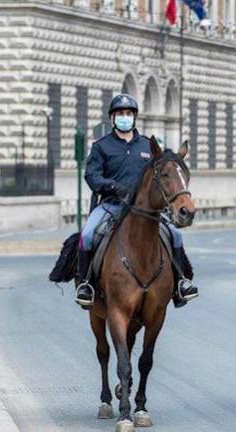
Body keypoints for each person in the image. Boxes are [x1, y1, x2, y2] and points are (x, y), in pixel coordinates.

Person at [75, 94, 198, 308]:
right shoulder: (101, 146)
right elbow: (91, 176)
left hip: (145, 210)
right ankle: (86, 285)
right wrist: (113, 186)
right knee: (86, 235)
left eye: (128, 113)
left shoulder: (148, 146)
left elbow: (164, 174)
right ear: (112, 118)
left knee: (176, 235)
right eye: (120, 113)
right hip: (111, 205)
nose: (125, 117)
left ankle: (181, 283)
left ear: (134, 117)